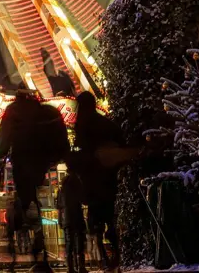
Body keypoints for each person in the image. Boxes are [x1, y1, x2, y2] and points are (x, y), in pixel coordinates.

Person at [0, 87, 70, 268]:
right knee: (35, 200)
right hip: (42, 161)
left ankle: (29, 243)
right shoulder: (44, 110)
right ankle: (40, 247)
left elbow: (4, 138)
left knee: (26, 199)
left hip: (23, 159)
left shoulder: (13, 110)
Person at [75, 91, 136, 272]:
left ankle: (106, 259)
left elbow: (84, 152)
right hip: (109, 179)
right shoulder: (106, 123)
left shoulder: (83, 124)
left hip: (94, 182)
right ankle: (116, 256)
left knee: (96, 224)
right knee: (110, 219)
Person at [57, 156, 87, 273]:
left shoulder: (62, 188)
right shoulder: (76, 182)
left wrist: (61, 220)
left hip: (66, 218)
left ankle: (70, 267)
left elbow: (59, 205)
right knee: (78, 241)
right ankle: (81, 266)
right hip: (76, 216)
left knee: (69, 242)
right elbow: (83, 198)